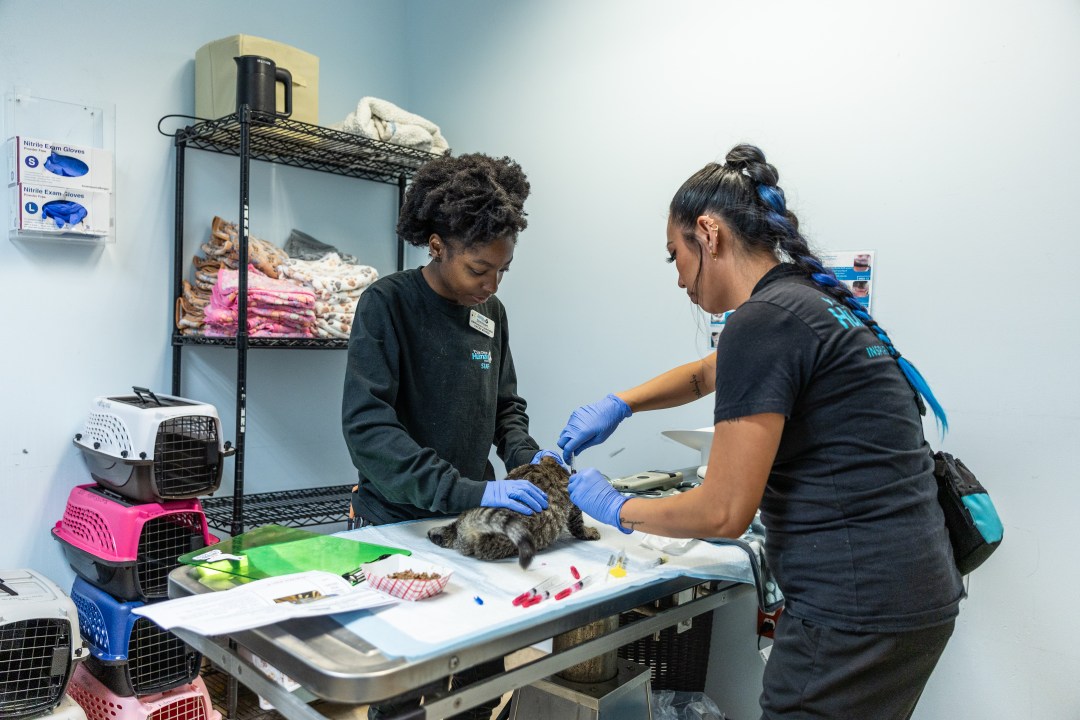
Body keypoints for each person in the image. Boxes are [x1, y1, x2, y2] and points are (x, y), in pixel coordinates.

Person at [557, 145, 963, 720]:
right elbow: (706, 373)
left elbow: (724, 512)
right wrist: (621, 403)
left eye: (674, 255)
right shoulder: (813, 305)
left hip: (854, 607)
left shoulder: (764, 321)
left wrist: (616, 506)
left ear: (708, 233)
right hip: (915, 594)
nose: (677, 279)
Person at [342, 152, 559, 720]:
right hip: (394, 524)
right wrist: (469, 490)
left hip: (467, 526)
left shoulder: (491, 315)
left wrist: (531, 460)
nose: (489, 285)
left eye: (502, 271)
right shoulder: (387, 305)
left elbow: (505, 408)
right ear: (437, 245)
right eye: (479, 269)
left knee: (473, 686)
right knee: (400, 693)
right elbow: (367, 429)